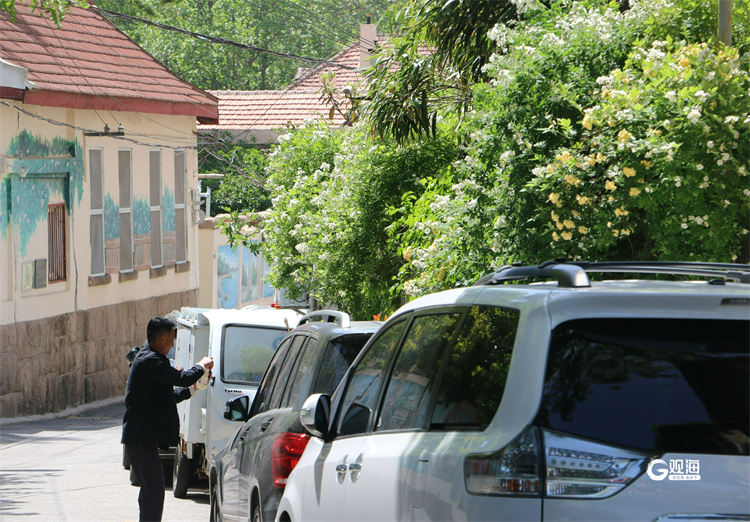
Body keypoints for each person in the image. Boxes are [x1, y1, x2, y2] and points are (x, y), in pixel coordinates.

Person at [122, 316, 214, 522]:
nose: (173, 344)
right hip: (140, 438)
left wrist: (192, 389)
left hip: (143, 438)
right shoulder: (150, 360)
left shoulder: (151, 359)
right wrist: (201, 365)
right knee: (154, 489)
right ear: (162, 339)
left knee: (151, 489)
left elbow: (166, 397)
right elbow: (181, 378)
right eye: (172, 339)